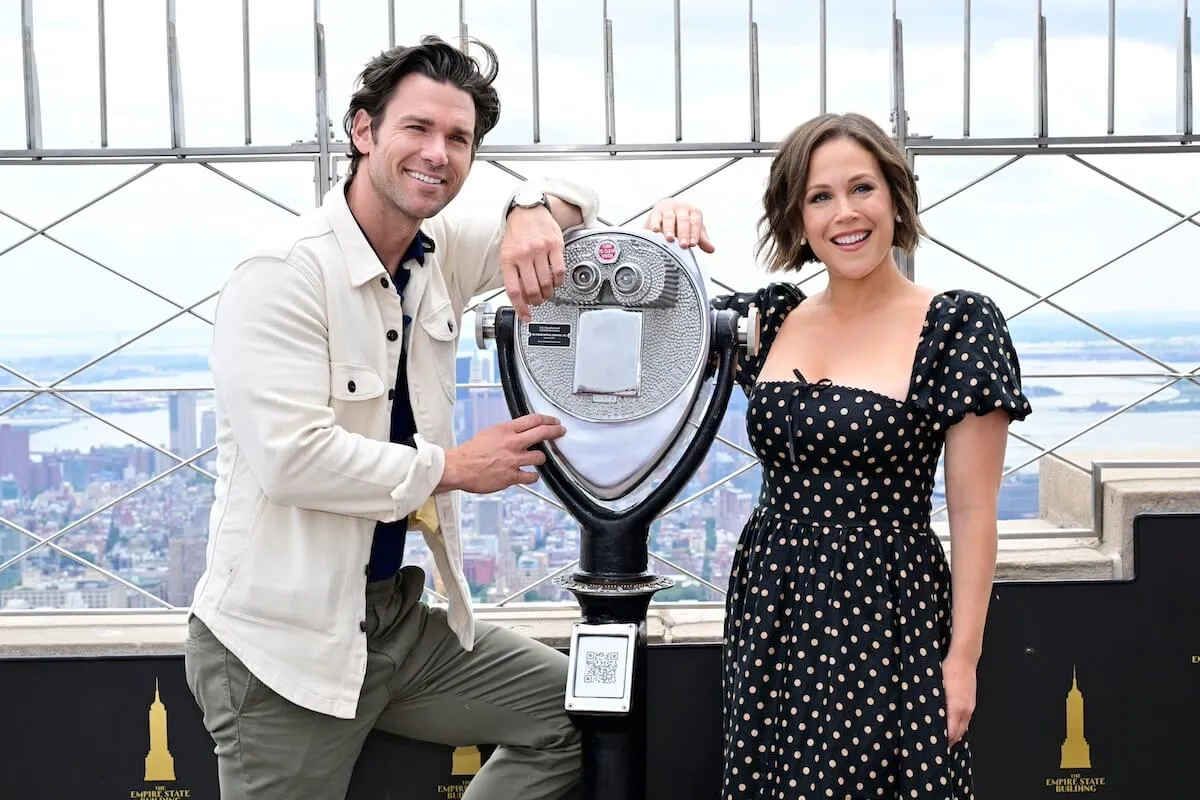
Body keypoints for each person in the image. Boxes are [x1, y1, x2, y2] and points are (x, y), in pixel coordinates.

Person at [183, 36, 604, 799]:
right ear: (364, 130)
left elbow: (579, 200)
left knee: (575, 712)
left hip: (396, 622)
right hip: (284, 646)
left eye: (459, 139)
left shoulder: (436, 252)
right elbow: (292, 459)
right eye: (417, 128)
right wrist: (453, 469)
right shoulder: (282, 272)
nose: (438, 154)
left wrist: (528, 205)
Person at [647, 112, 1032, 799]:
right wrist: (665, 232)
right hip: (773, 604)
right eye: (820, 196)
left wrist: (963, 660)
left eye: (863, 188)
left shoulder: (958, 325)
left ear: (895, 199)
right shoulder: (769, 319)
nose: (845, 213)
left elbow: (975, 512)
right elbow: (642, 334)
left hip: (888, 611)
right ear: (796, 217)